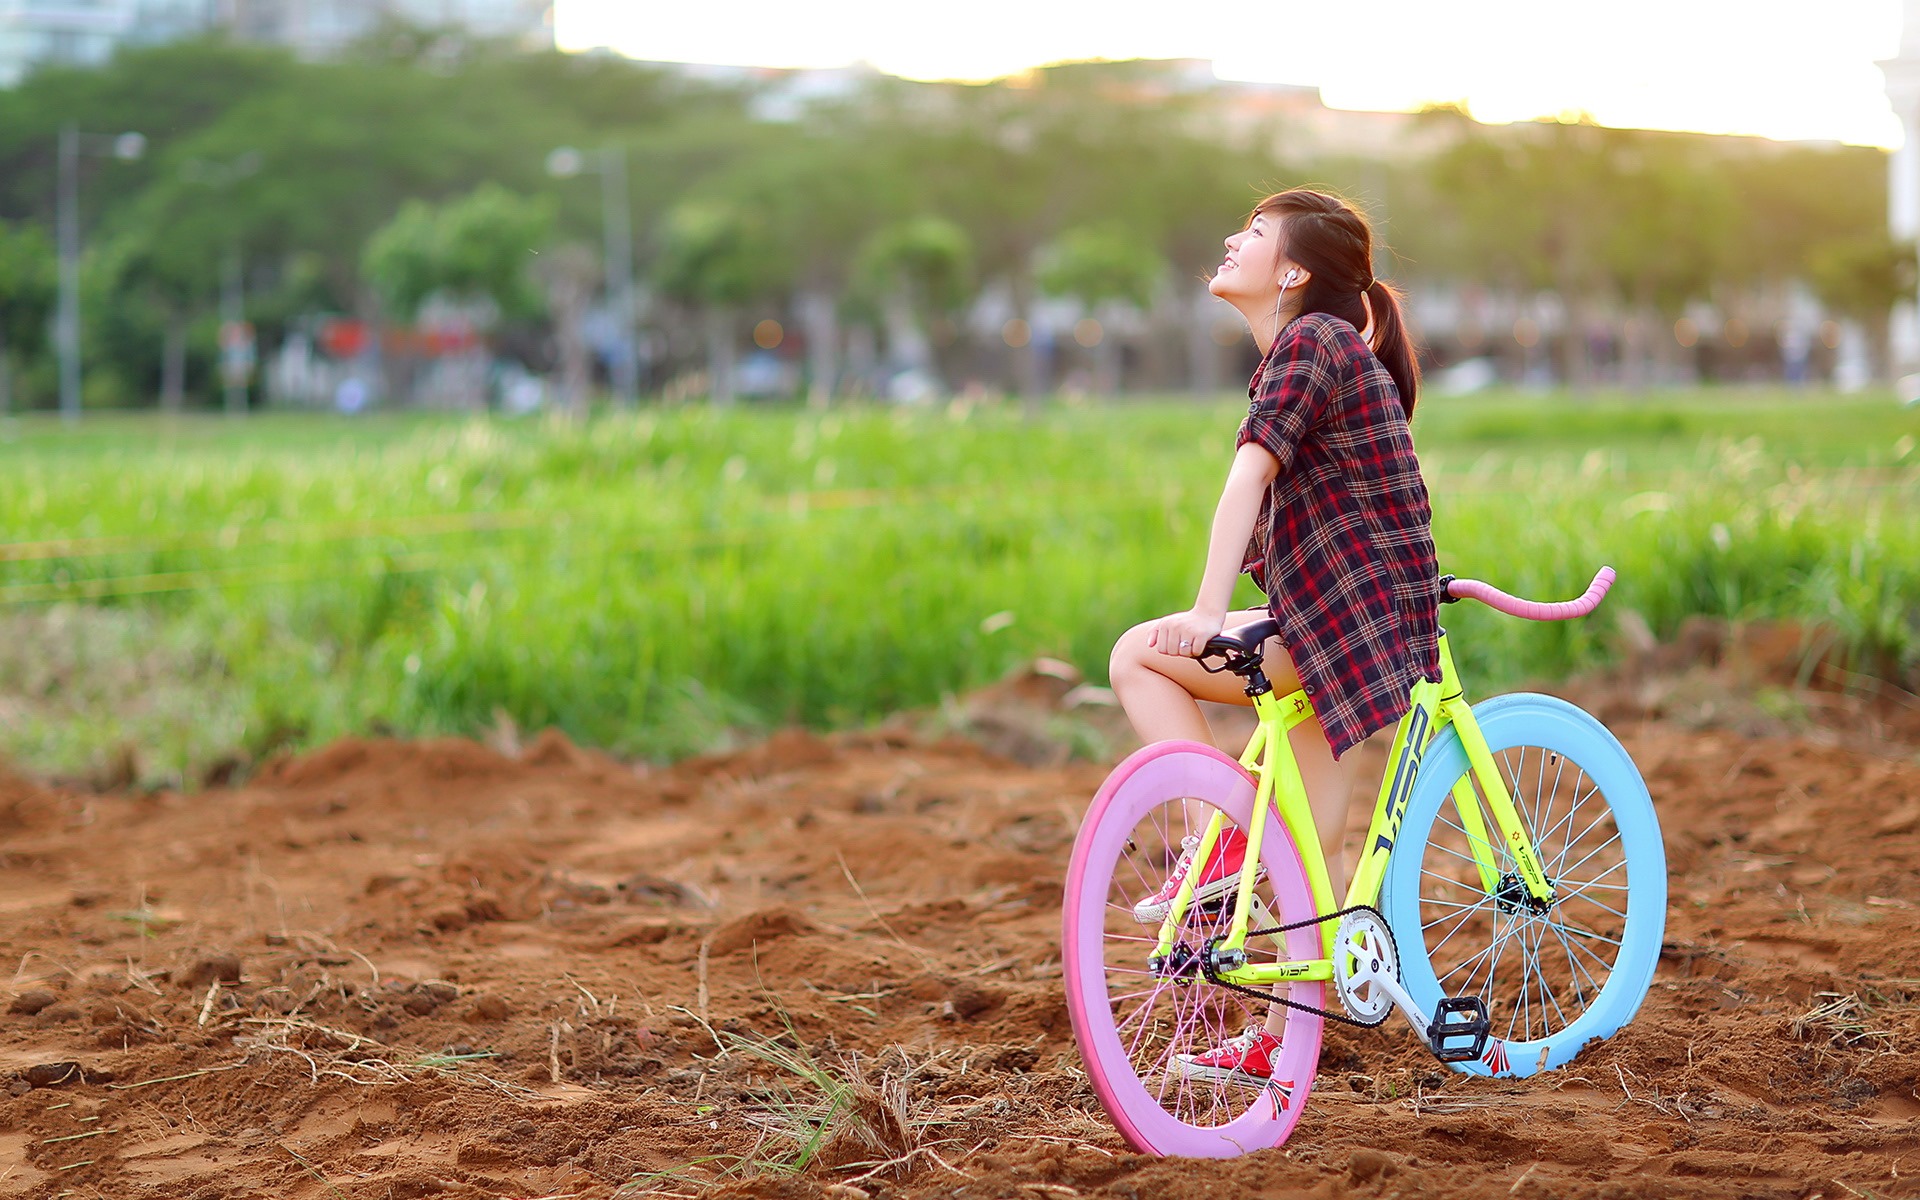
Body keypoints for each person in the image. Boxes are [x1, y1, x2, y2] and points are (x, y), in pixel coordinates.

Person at [1106, 188, 1439, 1085]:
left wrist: (1209, 613)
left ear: (1293, 270)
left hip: (1341, 627)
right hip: (1352, 628)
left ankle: (1218, 841)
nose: (1229, 237)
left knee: (1139, 655)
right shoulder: (1324, 349)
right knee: (1309, 854)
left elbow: (1245, 478)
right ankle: (1284, 1035)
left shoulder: (1311, 342)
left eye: (1252, 232)